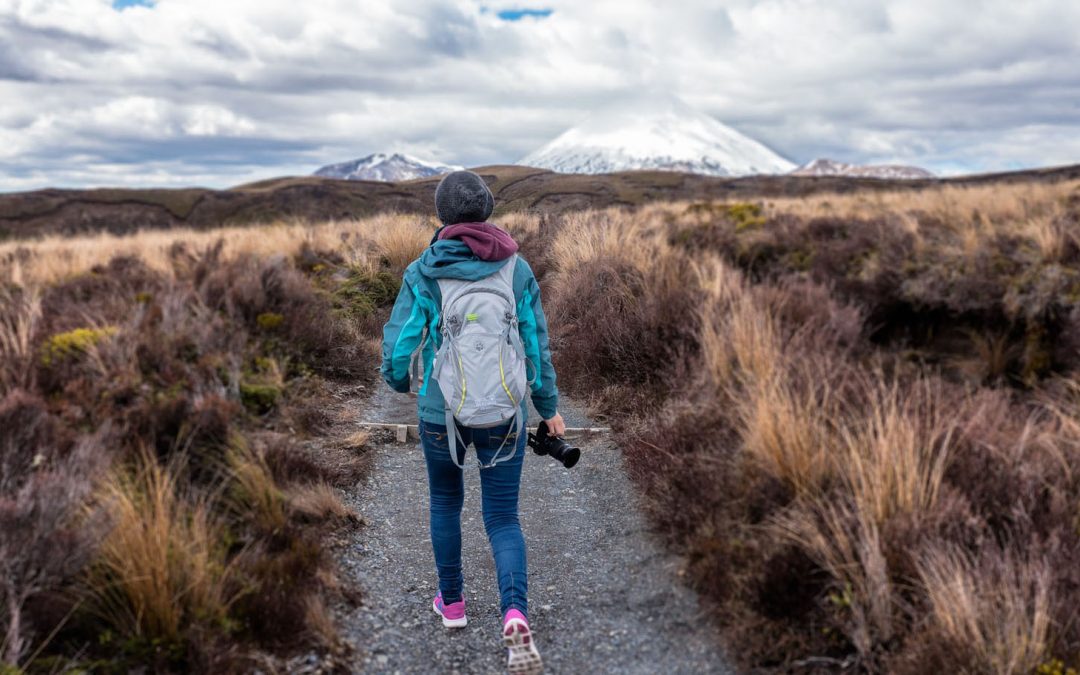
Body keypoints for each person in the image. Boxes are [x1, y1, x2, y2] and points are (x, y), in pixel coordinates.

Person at [381, 170, 564, 674]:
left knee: (445, 501)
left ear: (443, 215)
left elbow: (400, 348)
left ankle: (454, 605)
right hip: (505, 411)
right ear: (485, 209)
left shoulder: (423, 271)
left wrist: (401, 385)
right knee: (503, 517)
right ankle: (513, 612)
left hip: (443, 412)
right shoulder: (518, 268)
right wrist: (548, 409)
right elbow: (535, 347)